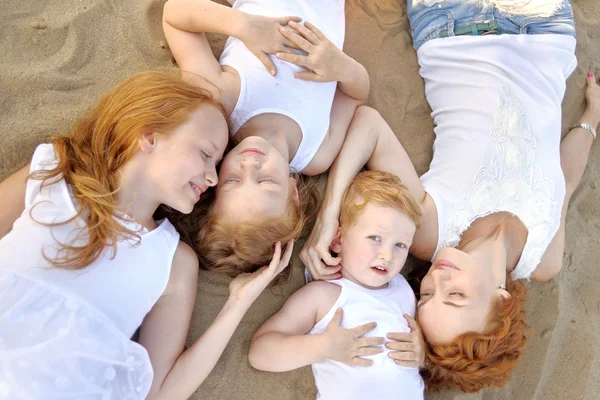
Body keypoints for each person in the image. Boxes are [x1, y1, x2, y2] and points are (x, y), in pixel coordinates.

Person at [297, 0, 600, 392]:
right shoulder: (544, 259)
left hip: (453, 24)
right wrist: (591, 121)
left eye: (426, 295)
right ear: (500, 299)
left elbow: (368, 126)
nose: (438, 279)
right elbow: (567, 180)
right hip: (546, 31)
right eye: (454, 295)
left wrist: (327, 221)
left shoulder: (427, 233)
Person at [0, 71, 294, 400]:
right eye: (205, 154)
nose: (212, 177)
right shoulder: (55, 171)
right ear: (150, 135)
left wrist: (237, 304)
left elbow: (160, 393)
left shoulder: (173, 262)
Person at [162, 0, 369, 276]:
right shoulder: (316, 153)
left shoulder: (223, 104)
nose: (250, 166)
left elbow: (175, 15)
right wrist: (342, 68)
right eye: (266, 181)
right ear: (294, 194)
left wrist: (245, 24)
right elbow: (356, 94)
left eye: (233, 180)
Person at [248, 171, 426, 400]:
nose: (387, 255)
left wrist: (423, 356)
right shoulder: (324, 295)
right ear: (338, 240)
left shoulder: (405, 291)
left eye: (400, 244)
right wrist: (324, 346)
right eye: (375, 238)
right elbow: (261, 352)